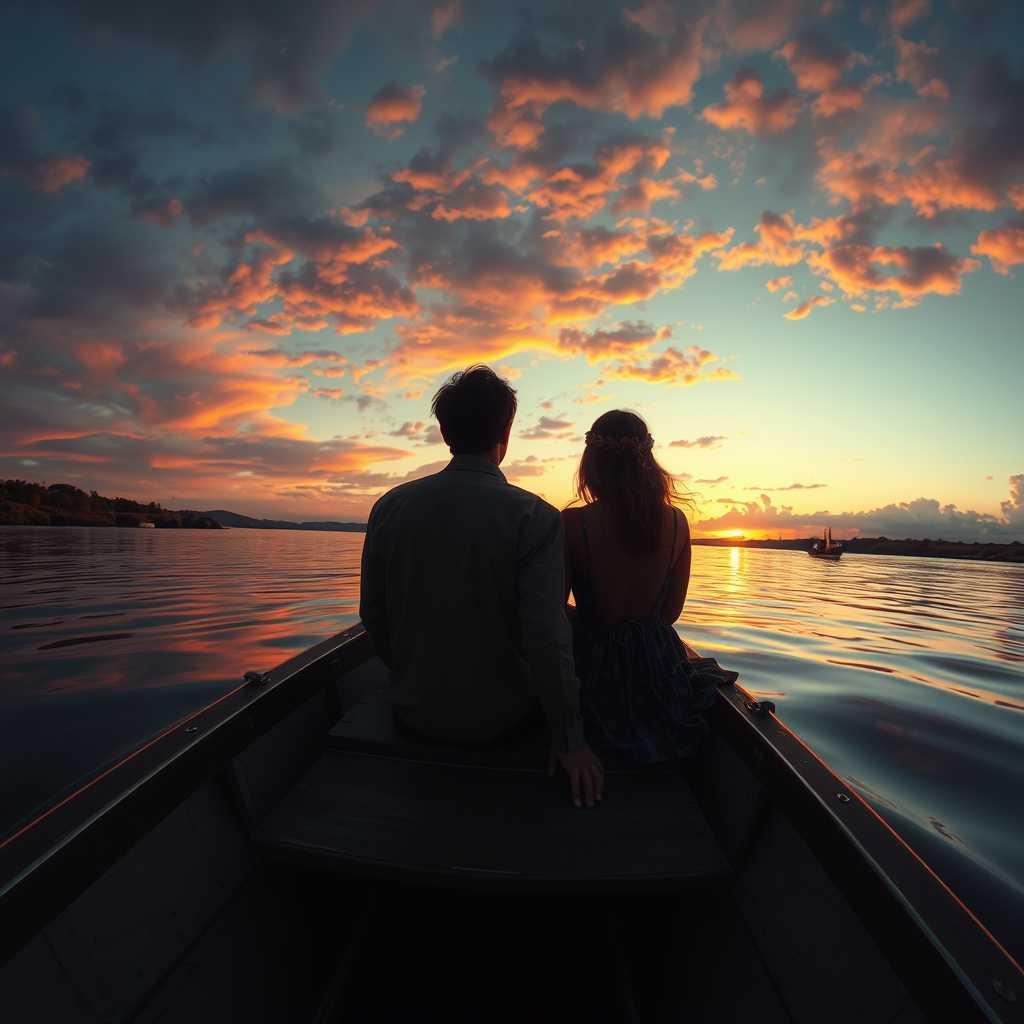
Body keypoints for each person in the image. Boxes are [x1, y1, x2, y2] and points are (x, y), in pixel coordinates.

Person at [359, 365, 604, 807]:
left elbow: (373, 615)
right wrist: (571, 739)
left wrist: (413, 677)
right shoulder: (536, 518)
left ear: (444, 432)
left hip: (413, 714)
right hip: (503, 722)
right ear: (506, 432)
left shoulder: (388, 508)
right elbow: (547, 639)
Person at [562, 410, 738, 764]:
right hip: (656, 669)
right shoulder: (677, 522)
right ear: (648, 460)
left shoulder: (573, 522)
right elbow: (670, 614)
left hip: (594, 665)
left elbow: (554, 613)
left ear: (591, 462)